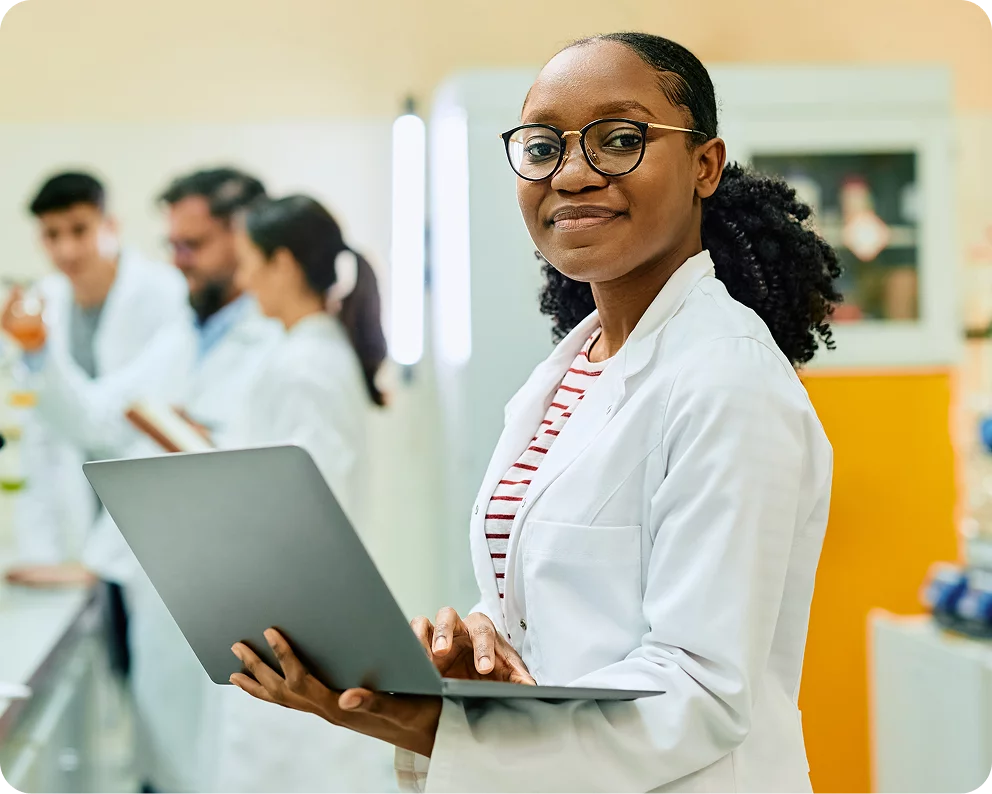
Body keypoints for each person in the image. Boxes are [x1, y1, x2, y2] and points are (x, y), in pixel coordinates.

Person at [227, 32, 841, 794]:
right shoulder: (572, 371)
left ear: (704, 166)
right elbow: (563, 607)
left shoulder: (728, 379)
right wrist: (480, 649)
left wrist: (431, 722)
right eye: (544, 146)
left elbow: (701, 694)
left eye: (620, 139)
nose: (574, 173)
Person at [6, 167, 282, 794]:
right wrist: (36, 351)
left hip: (226, 599)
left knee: (222, 760)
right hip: (150, 584)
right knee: (167, 759)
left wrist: (198, 446)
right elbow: (100, 420)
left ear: (246, 235)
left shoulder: (275, 342)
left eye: (194, 244)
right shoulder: (188, 334)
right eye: (173, 246)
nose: (178, 261)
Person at [200, 195, 395, 793]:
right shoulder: (304, 352)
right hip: (288, 610)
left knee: (292, 769)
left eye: (250, 260)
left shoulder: (304, 365)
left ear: (281, 263)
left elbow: (309, 506)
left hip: (295, 619)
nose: (243, 276)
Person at [3, 172, 188, 679]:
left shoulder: (164, 297)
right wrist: (41, 554)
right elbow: (41, 440)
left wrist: (39, 355)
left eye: (79, 229)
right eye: (52, 234)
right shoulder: (44, 302)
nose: (65, 249)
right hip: (77, 525)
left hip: (151, 527)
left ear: (111, 225)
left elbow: (119, 426)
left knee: (155, 683)